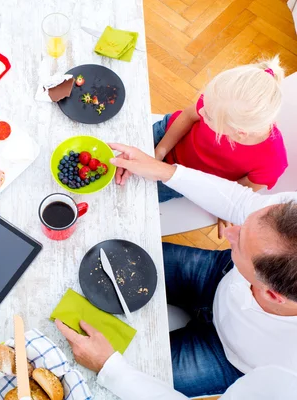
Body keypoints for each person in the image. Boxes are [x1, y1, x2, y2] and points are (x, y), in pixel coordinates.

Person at [107, 143, 297, 397]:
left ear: (273, 294)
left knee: (117, 372)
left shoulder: (286, 378)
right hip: (216, 277)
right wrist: (163, 170)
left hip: (225, 358)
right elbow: (242, 202)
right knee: (115, 257)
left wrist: (113, 371)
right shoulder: (290, 215)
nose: (227, 231)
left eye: (238, 242)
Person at [119, 57, 288, 238]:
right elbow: (187, 116)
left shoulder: (272, 161)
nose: (201, 111)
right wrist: (160, 151)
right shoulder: (220, 101)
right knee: (118, 149)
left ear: (240, 133)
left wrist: (223, 207)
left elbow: (239, 191)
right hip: (169, 135)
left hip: (186, 178)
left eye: (207, 115)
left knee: (128, 197)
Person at [55, 319, 297, 399]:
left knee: (145, 364)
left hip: (231, 361)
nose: (229, 233)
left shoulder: (281, 382)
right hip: (220, 279)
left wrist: (108, 365)